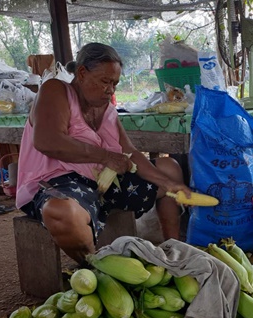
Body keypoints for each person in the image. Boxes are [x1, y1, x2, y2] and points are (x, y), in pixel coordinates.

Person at [16, 42, 191, 264]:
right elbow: (47, 141)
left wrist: (170, 184)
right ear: (81, 73)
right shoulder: (56, 90)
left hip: (104, 184)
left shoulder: (106, 109)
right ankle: (97, 269)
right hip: (59, 182)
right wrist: (106, 157)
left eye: (115, 84)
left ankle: (174, 253)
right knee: (61, 213)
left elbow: (130, 153)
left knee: (169, 168)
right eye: (105, 82)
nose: (111, 90)